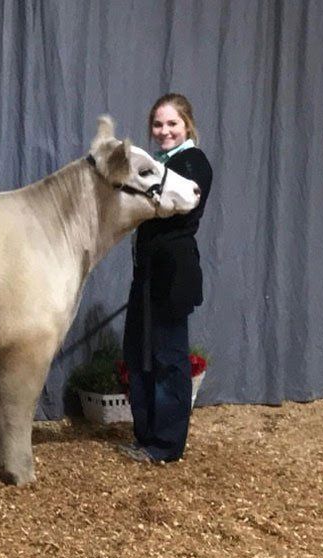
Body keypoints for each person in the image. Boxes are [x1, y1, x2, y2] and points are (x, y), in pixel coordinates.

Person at [119, 93, 213, 463]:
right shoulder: (158, 164)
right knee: (139, 354)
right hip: (147, 274)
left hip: (173, 273)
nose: (164, 131)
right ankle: (145, 436)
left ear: (187, 125)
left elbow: (176, 206)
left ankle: (166, 444)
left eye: (172, 123)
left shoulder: (192, 162)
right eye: (158, 124)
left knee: (168, 358)